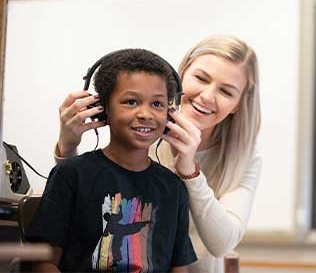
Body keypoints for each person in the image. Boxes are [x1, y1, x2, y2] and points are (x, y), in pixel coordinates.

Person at [55, 35, 262, 272]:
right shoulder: (141, 133)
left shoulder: (246, 156)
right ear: (180, 77)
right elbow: (81, 207)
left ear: (237, 104)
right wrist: (67, 147)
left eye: (226, 92)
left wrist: (189, 171)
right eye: (201, 78)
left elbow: (222, 243)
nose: (207, 96)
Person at [27, 49, 197, 272]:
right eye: (131, 101)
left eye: (157, 104)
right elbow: (42, 262)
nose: (146, 113)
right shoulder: (72, 174)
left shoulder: (173, 188)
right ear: (102, 108)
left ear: (170, 114)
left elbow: (179, 267)